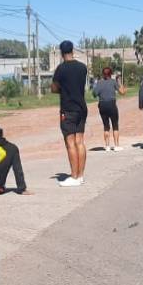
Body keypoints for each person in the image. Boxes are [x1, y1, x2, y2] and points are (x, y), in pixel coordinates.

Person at [51, 40, 88, 187]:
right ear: (73, 51)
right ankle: (80, 176)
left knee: (70, 143)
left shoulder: (61, 69)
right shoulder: (82, 68)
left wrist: (62, 89)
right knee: (80, 142)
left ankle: (73, 175)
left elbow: (54, 88)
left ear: (61, 53)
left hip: (68, 109)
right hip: (82, 108)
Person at [92, 67, 126, 151]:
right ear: (111, 74)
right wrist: (120, 82)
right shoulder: (113, 82)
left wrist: (96, 85)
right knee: (115, 125)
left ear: (103, 74)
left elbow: (94, 94)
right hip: (111, 104)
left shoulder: (99, 83)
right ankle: (116, 145)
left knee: (106, 125)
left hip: (102, 105)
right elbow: (122, 92)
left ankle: (107, 146)